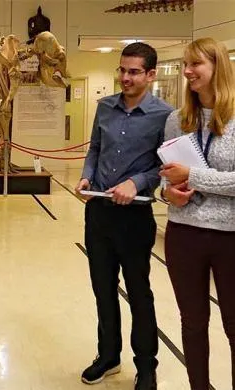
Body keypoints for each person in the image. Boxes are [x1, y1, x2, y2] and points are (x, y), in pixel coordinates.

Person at [75, 42, 173, 390]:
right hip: (98, 212)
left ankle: (146, 365)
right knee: (103, 289)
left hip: (134, 217)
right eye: (122, 70)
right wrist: (87, 176)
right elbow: (95, 149)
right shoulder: (104, 107)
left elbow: (166, 167)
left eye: (133, 72)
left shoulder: (166, 116)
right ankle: (108, 355)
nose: (125, 78)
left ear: (150, 74)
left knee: (139, 292)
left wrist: (136, 181)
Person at [160, 37, 235, 390]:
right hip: (184, 233)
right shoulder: (177, 120)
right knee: (192, 322)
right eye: (186, 64)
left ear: (218, 67)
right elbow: (168, 179)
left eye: (195, 64)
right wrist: (169, 193)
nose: (187, 71)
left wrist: (193, 176)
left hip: (230, 237)